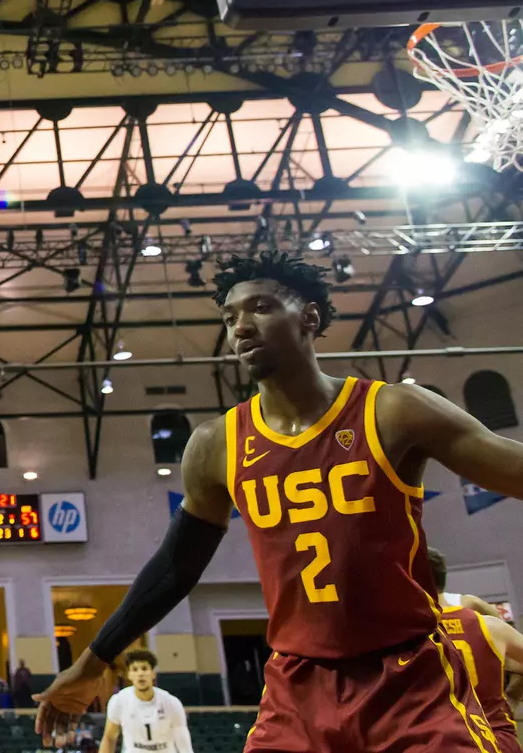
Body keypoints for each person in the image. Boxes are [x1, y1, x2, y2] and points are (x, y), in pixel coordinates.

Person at [38, 251, 523, 752]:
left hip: (410, 678)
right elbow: (174, 569)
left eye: (261, 308)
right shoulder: (216, 445)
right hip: (297, 686)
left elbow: (512, 468)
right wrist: (90, 661)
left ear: (309, 317)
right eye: (229, 318)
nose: (241, 327)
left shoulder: (392, 410)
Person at [430, 549, 523, 753]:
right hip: (497, 738)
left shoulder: (411, 633)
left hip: (446, 741)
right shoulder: (484, 619)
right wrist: (513, 697)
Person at [98, 650, 191, 753]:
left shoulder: (172, 703)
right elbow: (109, 737)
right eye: (135, 669)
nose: (140, 674)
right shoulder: (119, 701)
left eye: (144, 669)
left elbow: (183, 744)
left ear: (153, 674)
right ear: (129, 675)